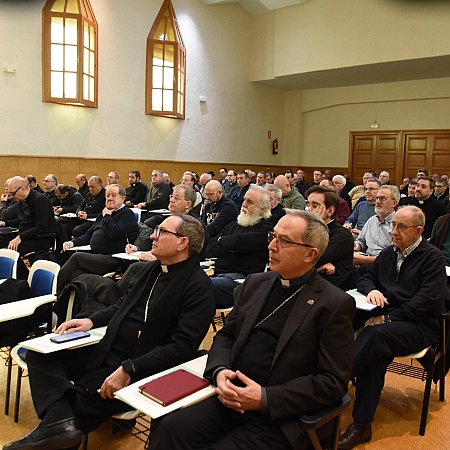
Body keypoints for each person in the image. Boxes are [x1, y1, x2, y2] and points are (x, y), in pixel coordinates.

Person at [3, 214, 215, 450]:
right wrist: (90, 321)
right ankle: (61, 427)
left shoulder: (199, 287)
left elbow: (182, 347)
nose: (152, 236)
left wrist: (130, 368)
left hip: (142, 367)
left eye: (162, 232)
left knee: (80, 399)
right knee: (39, 354)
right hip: (108, 347)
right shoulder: (150, 270)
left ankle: (55, 432)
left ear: (182, 242)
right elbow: (121, 305)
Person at [148, 210, 355, 450]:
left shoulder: (333, 304)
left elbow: (332, 382)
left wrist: (264, 398)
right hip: (229, 398)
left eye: (284, 241)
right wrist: (219, 370)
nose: (272, 246)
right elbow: (226, 336)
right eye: (272, 236)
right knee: (171, 430)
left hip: (279, 416)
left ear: (311, 254)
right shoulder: (256, 283)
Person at [339, 206, 449, 449]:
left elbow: (426, 302)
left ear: (419, 231)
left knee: (375, 335)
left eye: (401, 227)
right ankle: (362, 424)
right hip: (388, 322)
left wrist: (388, 319)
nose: (394, 231)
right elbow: (366, 277)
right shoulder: (389, 253)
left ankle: (331, 383)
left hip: (419, 325)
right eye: (394, 225)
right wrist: (374, 290)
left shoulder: (432, 258)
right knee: (371, 347)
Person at [58, 184, 139, 286]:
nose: (110, 198)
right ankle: (67, 298)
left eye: (114, 195)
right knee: (76, 274)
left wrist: (107, 216)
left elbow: (114, 233)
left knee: (77, 257)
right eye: (107, 196)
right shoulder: (104, 213)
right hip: (97, 256)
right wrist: (72, 243)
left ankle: (51, 289)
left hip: (114, 259)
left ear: (123, 198)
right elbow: (89, 235)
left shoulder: (126, 214)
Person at [207, 186, 273, 307]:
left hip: (240, 282)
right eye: (244, 200)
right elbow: (210, 249)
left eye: (250, 202)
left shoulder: (265, 229)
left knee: (196, 286)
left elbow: (239, 242)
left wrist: (223, 241)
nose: (244, 204)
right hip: (217, 275)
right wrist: (231, 246)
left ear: (262, 209)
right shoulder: (232, 226)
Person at [0, 176, 55, 278]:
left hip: (40, 238)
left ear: (22, 188)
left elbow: (41, 227)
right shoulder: (22, 200)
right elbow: (21, 222)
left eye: (13, 193)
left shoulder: (40, 201)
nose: (11, 196)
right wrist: (5, 223)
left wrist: (20, 238)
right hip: (26, 235)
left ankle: (22, 279)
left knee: (10, 252)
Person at [306, 185, 354, 289]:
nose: (308, 210)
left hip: (329, 289)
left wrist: (316, 223)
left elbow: (310, 259)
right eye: (308, 204)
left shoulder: (342, 235)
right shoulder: (306, 229)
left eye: (315, 206)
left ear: (330, 211)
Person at [353, 185, 399, 268]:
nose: (377, 201)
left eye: (382, 198)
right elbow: (361, 241)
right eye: (377, 198)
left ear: (394, 203)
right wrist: (357, 245)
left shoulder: (397, 225)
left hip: (384, 265)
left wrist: (365, 260)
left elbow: (394, 256)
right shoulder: (372, 220)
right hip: (364, 258)